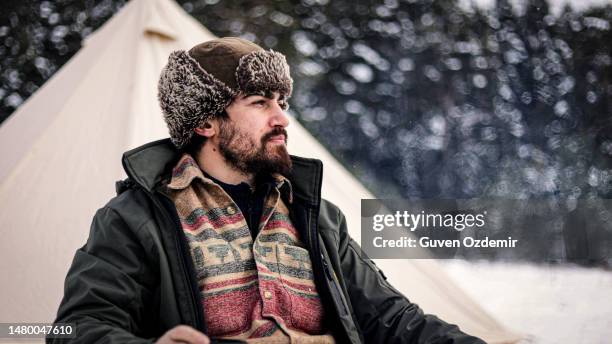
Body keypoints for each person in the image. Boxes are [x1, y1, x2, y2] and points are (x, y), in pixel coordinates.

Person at [49, 37, 485, 344]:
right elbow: (80, 327)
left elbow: (390, 319)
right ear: (205, 123)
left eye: (281, 101)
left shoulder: (315, 215)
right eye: (260, 103)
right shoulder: (136, 218)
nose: (282, 119)